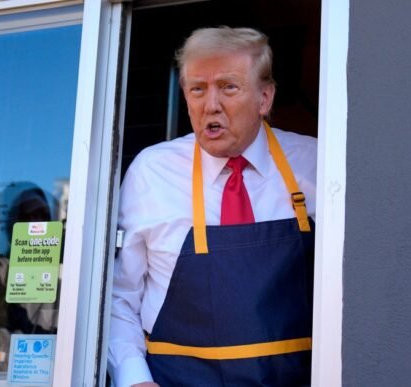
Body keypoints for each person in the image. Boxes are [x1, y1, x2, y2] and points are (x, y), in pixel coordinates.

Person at [108, 27, 317, 386]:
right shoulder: (150, 171)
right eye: (197, 89)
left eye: (228, 87)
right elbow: (117, 295)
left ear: (264, 98)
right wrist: (133, 378)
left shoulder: (317, 162)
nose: (211, 105)